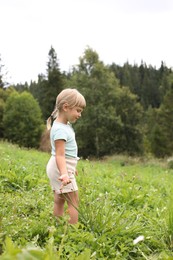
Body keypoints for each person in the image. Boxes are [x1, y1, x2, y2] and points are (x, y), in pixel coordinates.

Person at [46, 88, 86, 224]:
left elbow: (66, 154)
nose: (80, 114)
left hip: (61, 167)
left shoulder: (63, 125)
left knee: (59, 198)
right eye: (78, 110)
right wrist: (64, 173)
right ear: (66, 107)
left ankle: (56, 224)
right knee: (73, 201)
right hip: (60, 168)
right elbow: (60, 155)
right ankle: (73, 232)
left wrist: (71, 167)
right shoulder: (60, 130)